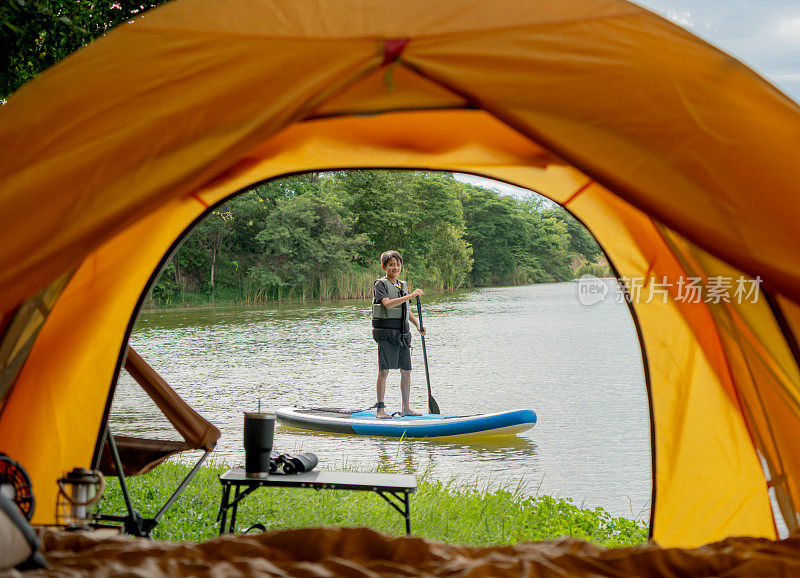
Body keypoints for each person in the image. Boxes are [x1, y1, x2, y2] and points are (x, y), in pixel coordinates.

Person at [372, 250, 426, 418]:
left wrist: (418, 325)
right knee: (384, 371)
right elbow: (387, 304)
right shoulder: (380, 285)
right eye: (391, 265)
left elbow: (405, 309)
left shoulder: (403, 285)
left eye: (398, 265)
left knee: (406, 371)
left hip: (403, 334)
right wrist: (410, 295)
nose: (395, 268)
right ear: (384, 267)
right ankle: (380, 410)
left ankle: (406, 409)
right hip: (387, 334)